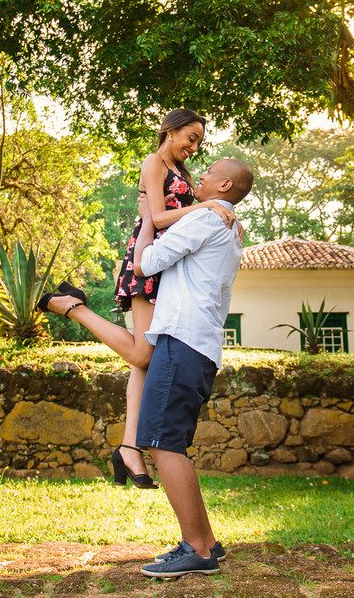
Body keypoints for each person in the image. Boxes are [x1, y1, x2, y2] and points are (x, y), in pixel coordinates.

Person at [41, 157, 253, 578]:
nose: (202, 175)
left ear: (225, 184)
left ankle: (196, 549)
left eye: (209, 171)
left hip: (181, 343)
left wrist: (147, 221)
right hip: (198, 345)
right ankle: (207, 543)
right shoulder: (224, 226)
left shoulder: (206, 221)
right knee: (171, 441)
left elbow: (144, 265)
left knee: (161, 442)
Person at [74, 109, 236, 489]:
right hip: (147, 257)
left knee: (143, 364)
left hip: (170, 263)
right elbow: (160, 217)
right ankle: (74, 308)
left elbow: (210, 208)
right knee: (142, 355)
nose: (193, 147)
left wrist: (223, 209)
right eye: (189, 138)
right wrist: (208, 206)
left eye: (198, 142)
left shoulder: (187, 175)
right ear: (170, 131)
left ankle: (130, 447)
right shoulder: (155, 162)